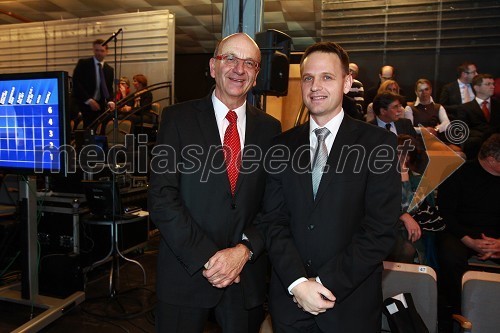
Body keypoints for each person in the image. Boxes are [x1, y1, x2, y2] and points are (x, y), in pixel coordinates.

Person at [260, 41, 400, 332]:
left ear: (347, 83)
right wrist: (298, 283)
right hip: (290, 303)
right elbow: (273, 221)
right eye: (309, 78)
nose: (315, 86)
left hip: (349, 305)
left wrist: (323, 285)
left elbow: (380, 230)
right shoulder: (280, 146)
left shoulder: (378, 145)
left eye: (327, 77)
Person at [148, 33, 281, 333]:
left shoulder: (271, 130)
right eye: (230, 58)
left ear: (257, 75)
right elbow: (162, 198)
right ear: (212, 66)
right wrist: (209, 259)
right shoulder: (177, 119)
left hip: (245, 279)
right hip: (187, 274)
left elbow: (274, 207)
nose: (239, 69)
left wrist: (243, 252)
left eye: (249, 63)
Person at [437, 133, 500, 316]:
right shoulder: (457, 173)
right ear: (490, 160)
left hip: (496, 235)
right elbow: (446, 214)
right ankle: (462, 309)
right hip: (461, 232)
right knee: (450, 256)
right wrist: (469, 241)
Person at [72, 38, 114, 130]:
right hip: (84, 103)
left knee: (102, 129)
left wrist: (110, 100)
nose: (99, 53)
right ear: (93, 50)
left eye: (102, 51)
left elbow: (108, 88)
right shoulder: (83, 64)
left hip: (100, 105)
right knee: (88, 130)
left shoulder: (109, 70)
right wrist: (89, 100)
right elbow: (76, 83)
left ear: (107, 52)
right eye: (97, 50)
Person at [458, 73, 500, 159]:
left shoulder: (498, 105)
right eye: (488, 84)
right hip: (475, 149)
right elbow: (463, 130)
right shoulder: (465, 108)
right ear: (477, 88)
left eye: (493, 84)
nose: (492, 87)